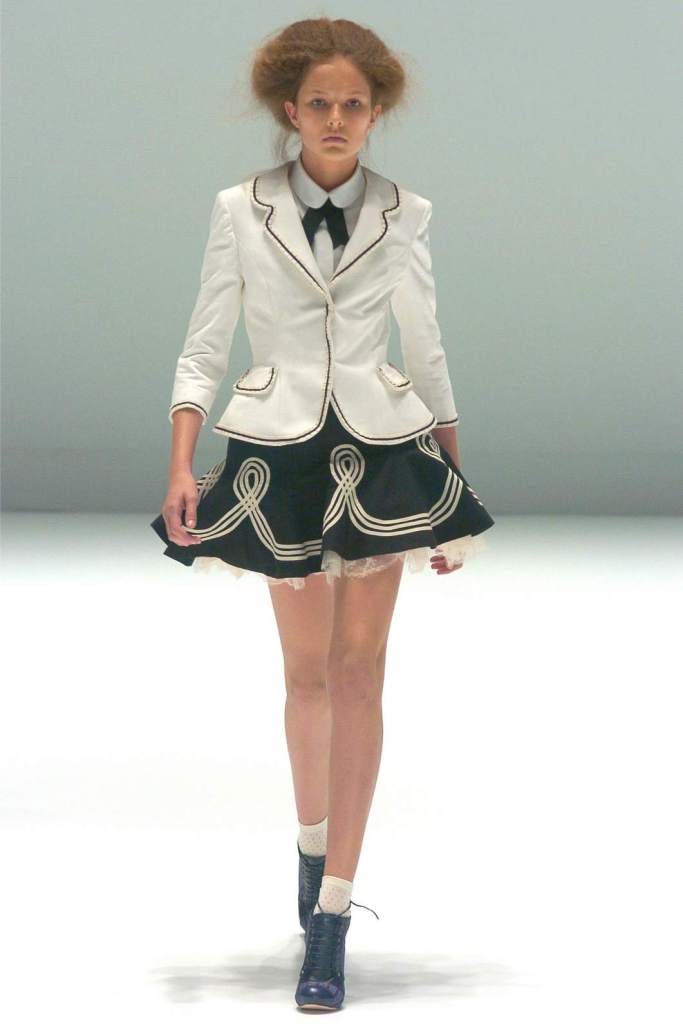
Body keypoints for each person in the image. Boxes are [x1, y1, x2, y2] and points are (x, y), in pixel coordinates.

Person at [150, 16, 495, 1011]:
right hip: (278, 455)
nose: (336, 119)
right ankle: (312, 853)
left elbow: (424, 342)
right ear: (287, 110)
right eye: (318, 103)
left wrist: (450, 479)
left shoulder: (404, 213)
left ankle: (334, 911)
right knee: (305, 676)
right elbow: (203, 343)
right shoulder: (240, 208)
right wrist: (182, 463)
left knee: (358, 674)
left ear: (375, 112)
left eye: (353, 104)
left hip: (382, 452)